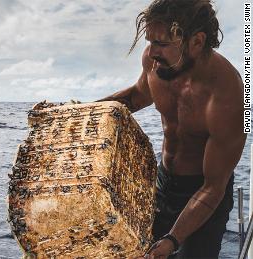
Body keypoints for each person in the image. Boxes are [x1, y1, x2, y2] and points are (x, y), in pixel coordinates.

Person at [96, 0, 247, 258]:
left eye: (162, 44)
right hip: (163, 182)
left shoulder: (228, 95)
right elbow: (137, 96)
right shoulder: (157, 63)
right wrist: (80, 113)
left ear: (196, 42)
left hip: (206, 194)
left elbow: (213, 188)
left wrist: (171, 241)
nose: (152, 53)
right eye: (149, 42)